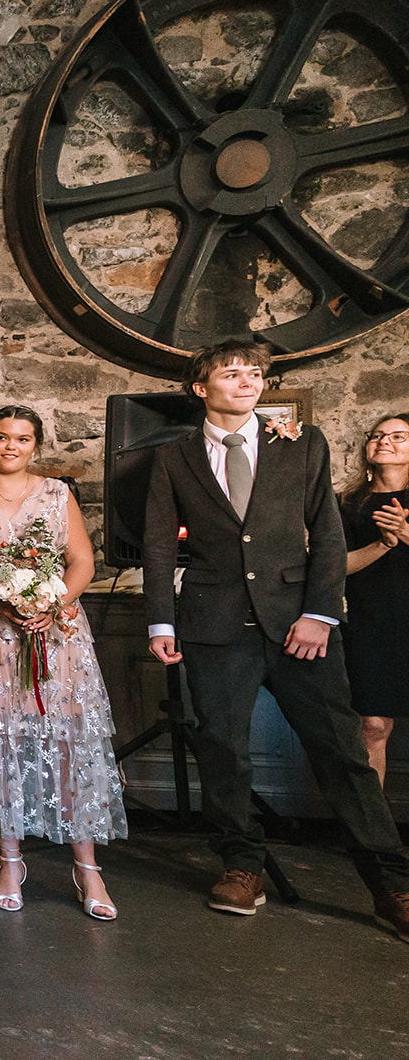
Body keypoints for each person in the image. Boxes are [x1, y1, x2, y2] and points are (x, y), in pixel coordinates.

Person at [143, 342, 409, 940]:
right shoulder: (173, 458)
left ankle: (393, 886)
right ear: (200, 389)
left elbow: (329, 537)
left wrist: (320, 612)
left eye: (255, 373)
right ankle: (241, 867)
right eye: (231, 374)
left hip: (301, 629)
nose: (247, 382)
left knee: (342, 753)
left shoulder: (303, 444)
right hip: (213, 626)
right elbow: (160, 545)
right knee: (222, 751)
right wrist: (162, 622)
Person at [0, 406, 126, 920]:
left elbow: (82, 559)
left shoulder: (58, 493)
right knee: (1, 742)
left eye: (22, 439)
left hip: (54, 634)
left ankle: (87, 870)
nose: (10, 447)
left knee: (66, 743)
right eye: (1, 436)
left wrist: (51, 605)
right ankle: (10, 862)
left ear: (35, 445)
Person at [338, 412, 409, 788]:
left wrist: (406, 532)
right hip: (370, 626)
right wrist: (384, 543)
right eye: (378, 435)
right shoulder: (347, 503)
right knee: (373, 725)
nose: (385, 441)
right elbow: (337, 567)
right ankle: (376, 833)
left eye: (398, 436)